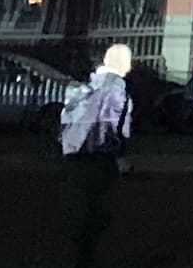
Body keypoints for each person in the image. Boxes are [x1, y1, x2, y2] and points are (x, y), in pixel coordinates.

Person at [56, 43, 135, 267]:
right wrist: (120, 156)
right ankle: (87, 258)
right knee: (99, 213)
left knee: (79, 211)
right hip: (100, 160)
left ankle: (78, 256)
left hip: (74, 157)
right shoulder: (118, 90)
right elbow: (116, 128)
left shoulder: (82, 88)